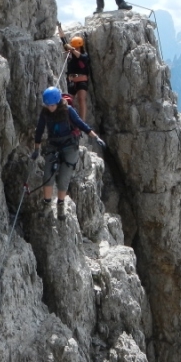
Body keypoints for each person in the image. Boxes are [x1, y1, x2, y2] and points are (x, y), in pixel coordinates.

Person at [32, 86, 105, 220]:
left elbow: (81, 124)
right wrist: (36, 149)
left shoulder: (68, 110)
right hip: (54, 145)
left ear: (57, 102)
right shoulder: (45, 112)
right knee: (48, 174)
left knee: (64, 178)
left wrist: (95, 137)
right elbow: (40, 130)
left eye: (52, 105)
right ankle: (47, 205)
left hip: (70, 146)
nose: (50, 108)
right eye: (48, 105)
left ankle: (61, 206)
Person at [59, 23, 91, 121]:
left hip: (82, 81)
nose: (76, 49)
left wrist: (71, 49)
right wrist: (59, 28)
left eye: (77, 48)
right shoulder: (72, 53)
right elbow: (63, 39)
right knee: (68, 101)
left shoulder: (84, 56)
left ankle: (82, 121)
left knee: (81, 99)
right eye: (75, 47)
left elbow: (79, 56)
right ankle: (70, 121)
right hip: (72, 81)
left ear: (80, 47)